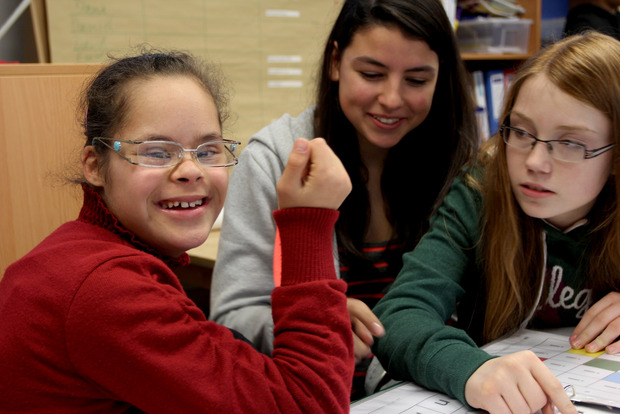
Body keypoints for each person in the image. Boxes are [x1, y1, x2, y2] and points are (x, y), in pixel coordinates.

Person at [0, 50, 355, 413]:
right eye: (156, 151)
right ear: (94, 166)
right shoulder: (104, 290)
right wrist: (308, 221)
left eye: (207, 150)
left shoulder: (84, 254)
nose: (190, 170)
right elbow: (310, 405)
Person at [209, 0, 479, 400]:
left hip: (430, 391)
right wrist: (317, 320)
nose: (391, 98)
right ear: (336, 62)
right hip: (318, 396)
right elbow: (233, 318)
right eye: (371, 74)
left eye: (417, 80)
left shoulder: (460, 162)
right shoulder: (276, 159)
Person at [372, 31, 620, 414]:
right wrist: (472, 369)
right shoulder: (480, 191)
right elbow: (400, 314)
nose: (535, 161)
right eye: (520, 131)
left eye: (570, 143)